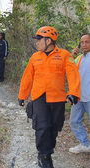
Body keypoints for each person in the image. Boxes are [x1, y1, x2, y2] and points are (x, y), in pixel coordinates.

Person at [18, 26, 81, 168]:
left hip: (58, 98)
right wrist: (22, 95)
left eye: (39, 40)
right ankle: (43, 155)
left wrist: (73, 93)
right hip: (39, 97)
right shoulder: (35, 57)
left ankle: (48, 149)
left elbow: (73, 75)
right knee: (43, 126)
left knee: (54, 127)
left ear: (49, 40)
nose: (37, 43)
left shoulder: (65, 55)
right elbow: (27, 77)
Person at [69, 33, 90, 154]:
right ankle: (85, 144)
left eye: (87, 42)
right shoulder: (79, 58)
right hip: (78, 97)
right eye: (82, 42)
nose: (84, 44)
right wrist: (72, 56)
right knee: (74, 121)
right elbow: (69, 70)